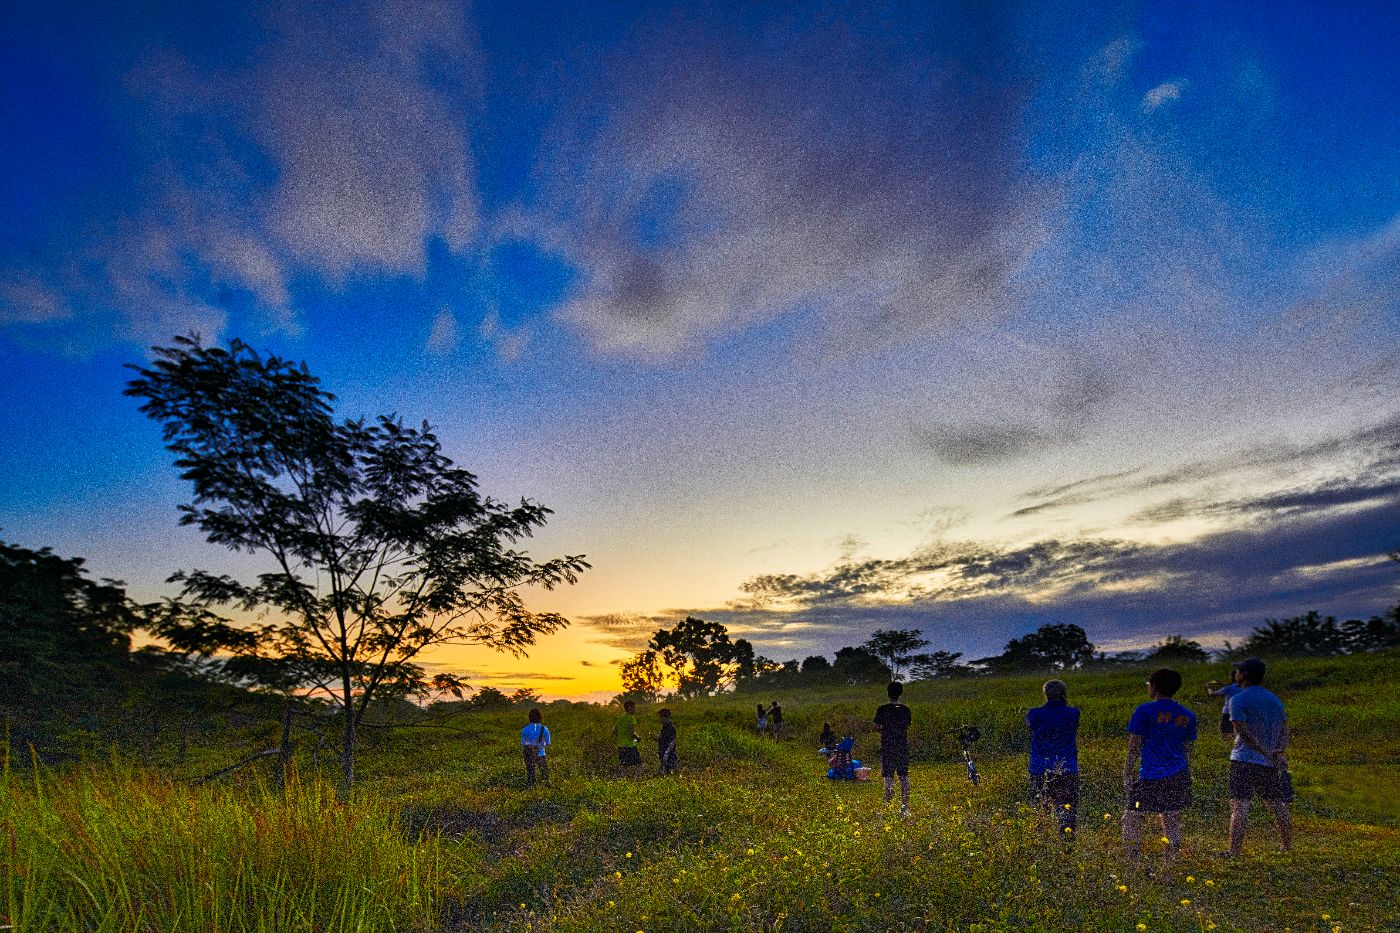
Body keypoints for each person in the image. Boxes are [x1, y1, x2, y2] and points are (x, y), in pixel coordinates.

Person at [1123, 668, 1197, 873]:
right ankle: (1169, 870)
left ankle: (1133, 866)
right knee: (1171, 820)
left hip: (1149, 776)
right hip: (1178, 774)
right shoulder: (1187, 715)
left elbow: (1134, 746)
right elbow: (1188, 750)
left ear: (1154, 687)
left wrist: (1127, 773)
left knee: (1132, 818)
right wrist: (1187, 775)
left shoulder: (1144, 711)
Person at [1224, 657, 1293, 857]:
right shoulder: (1274, 699)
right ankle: (1286, 846)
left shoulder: (1238, 699)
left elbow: (1241, 731)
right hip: (1268, 761)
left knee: (1239, 804)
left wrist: (1263, 750)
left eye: (1238, 671)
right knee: (1276, 803)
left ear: (1244, 675)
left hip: (1243, 759)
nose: (1235, 675)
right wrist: (1278, 752)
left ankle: (1234, 851)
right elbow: (1284, 729)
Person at [1026, 679, 1079, 837]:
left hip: (1039, 767)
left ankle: (1042, 838)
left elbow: (1030, 725)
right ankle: (1067, 839)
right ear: (1064, 694)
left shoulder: (1033, 713)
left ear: (1045, 694)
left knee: (1041, 805)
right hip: (1067, 766)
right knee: (1067, 806)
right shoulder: (1073, 713)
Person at [873, 681, 913, 815]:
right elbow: (906, 726)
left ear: (888, 693)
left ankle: (889, 805)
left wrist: (885, 730)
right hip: (902, 746)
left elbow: (877, 727)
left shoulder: (882, 709)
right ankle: (904, 807)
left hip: (888, 746)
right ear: (900, 693)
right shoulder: (906, 710)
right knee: (903, 777)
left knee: (888, 777)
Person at [1206, 665, 1245, 738]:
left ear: (1231, 678)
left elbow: (1212, 694)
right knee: (1237, 733)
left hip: (1227, 712)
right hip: (1240, 713)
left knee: (1225, 732)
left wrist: (1209, 687)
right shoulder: (1245, 688)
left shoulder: (1228, 688)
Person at [520, 708, 551, 787]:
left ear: (530, 717)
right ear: (540, 717)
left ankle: (531, 788)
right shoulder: (544, 729)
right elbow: (547, 743)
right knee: (545, 774)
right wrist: (539, 745)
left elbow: (523, 744)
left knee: (530, 774)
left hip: (528, 754)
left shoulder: (525, 729)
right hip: (541, 753)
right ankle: (546, 787)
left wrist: (530, 746)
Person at [617, 700, 643, 777]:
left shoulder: (621, 718)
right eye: (634, 707)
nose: (635, 709)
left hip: (621, 746)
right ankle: (634, 779)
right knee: (640, 764)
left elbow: (614, 732)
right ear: (629, 708)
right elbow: (632, 734)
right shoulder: (631, 718)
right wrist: (637, 738)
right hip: (630, 746)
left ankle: (623, 780)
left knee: (623, 765)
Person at [657, 708, 678, 775]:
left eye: (661, 717)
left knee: (670, 772)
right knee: (664, 772)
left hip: (669, 754)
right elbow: (663, 737)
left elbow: (672, 742)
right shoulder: (664, 726)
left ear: (667, 717)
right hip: (663, 752)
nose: (660, 720)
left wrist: (666, 753)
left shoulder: (671, 727)